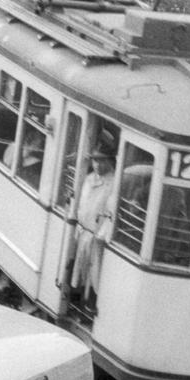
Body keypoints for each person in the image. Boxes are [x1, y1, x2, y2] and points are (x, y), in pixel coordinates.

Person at [70, 131, 116, 316]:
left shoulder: (113, 183)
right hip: (83, 230)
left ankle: (89, 307)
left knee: (94, 273)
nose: (97, 164)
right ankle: (77, 301)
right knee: (80, 269)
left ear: (109, 161)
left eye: (101, 160)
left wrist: (102, 233)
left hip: (97, 234)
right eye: (95, 161)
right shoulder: (90, 179)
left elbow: (111, 211)